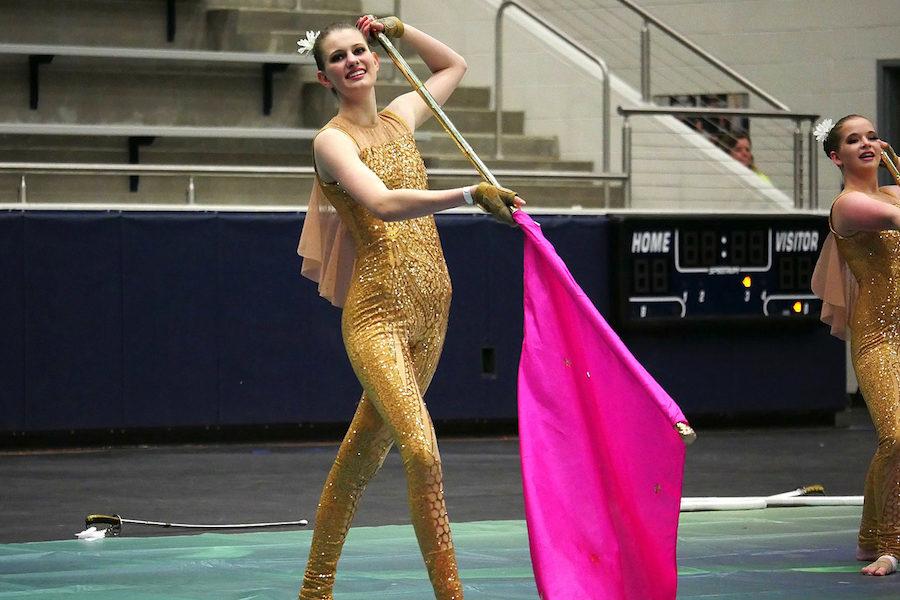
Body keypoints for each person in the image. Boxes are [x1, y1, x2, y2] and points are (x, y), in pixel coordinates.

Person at [295, 15, 524, 599]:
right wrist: (470, 194)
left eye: (360, 49)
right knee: (421, 449)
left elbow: (453, 67)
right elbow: (383, 201)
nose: (353, 60)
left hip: (432, 313)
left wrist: (403, 29)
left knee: (359, 460)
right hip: (378, 318)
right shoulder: (331, 142)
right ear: (326, 78)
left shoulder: (402, 117)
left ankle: (313, 593)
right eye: (339, 57)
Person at [811, 114, 900, 577]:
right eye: (853, 139)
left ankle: (874, 538)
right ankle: (887, 543)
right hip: (880, 337)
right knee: (897, 435)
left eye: (871, 135)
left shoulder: (892, 193)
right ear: (835, 156)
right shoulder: (848, 206)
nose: (866, 143)